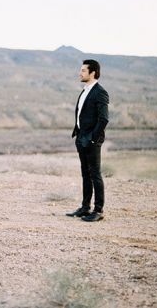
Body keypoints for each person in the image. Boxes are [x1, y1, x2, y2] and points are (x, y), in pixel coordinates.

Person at [67, 59, 109, 222]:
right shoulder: (85, 90)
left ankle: (98, 210)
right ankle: (85, 208)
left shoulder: (100, 92)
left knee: (95, 174)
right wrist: (79, 135)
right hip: (81, 137)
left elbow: (104, 119)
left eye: (83, 70)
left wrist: (93, 138)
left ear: (93, 73)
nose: (80, 73)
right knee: (86, 174)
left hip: (91, 140)